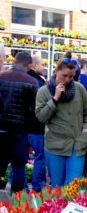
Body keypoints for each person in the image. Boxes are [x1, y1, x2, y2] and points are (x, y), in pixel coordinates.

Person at [35, 52, 87, 187]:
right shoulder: (44, 91)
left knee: (73, 187)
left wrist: (85, 129)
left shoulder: (79, 89)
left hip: (77, 144)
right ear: (56, 71)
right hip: (55, 145)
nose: (67, 80)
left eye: (71, 76)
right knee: (57, 187)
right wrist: (55, 99)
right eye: (64, 75)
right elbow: (41, 117)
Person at [0, 52, 37, 193]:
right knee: (19, 167)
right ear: (28, 65)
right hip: (20, 131)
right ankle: (17, 200)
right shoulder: (31, 82)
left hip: (1, 128)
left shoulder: (1, 77)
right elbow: (35, 108)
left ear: (14, 61)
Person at [26, 55, 47, 192]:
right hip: (36, 126)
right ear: (34, 65)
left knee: (19, 158)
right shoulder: (38, 82)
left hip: (22, 126)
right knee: (40, 156)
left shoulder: (25, 78)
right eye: (42, 64)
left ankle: (14, 184)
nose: (44, 67)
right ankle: (37, 187)